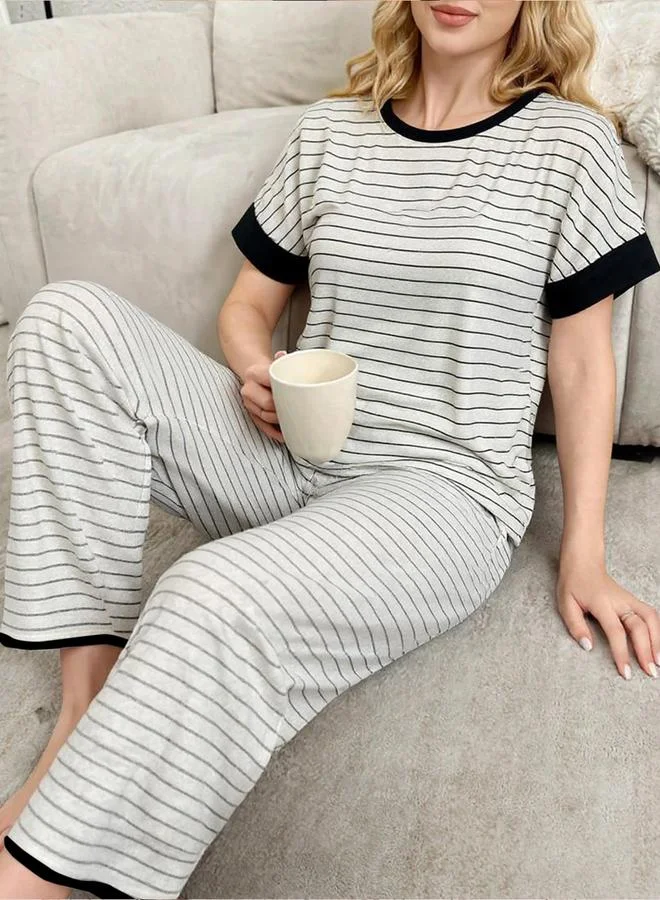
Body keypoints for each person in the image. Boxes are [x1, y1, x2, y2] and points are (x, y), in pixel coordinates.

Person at [1, 0, 659, 896]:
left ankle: (37, 878)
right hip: (293, 450)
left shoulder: (569, 147)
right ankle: (83, 708)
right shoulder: (330, 134)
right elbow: (249, 304)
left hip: (441, 493)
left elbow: (583, 363)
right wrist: (254, 368)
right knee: (64, 320)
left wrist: (585, 552)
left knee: (206, 592)